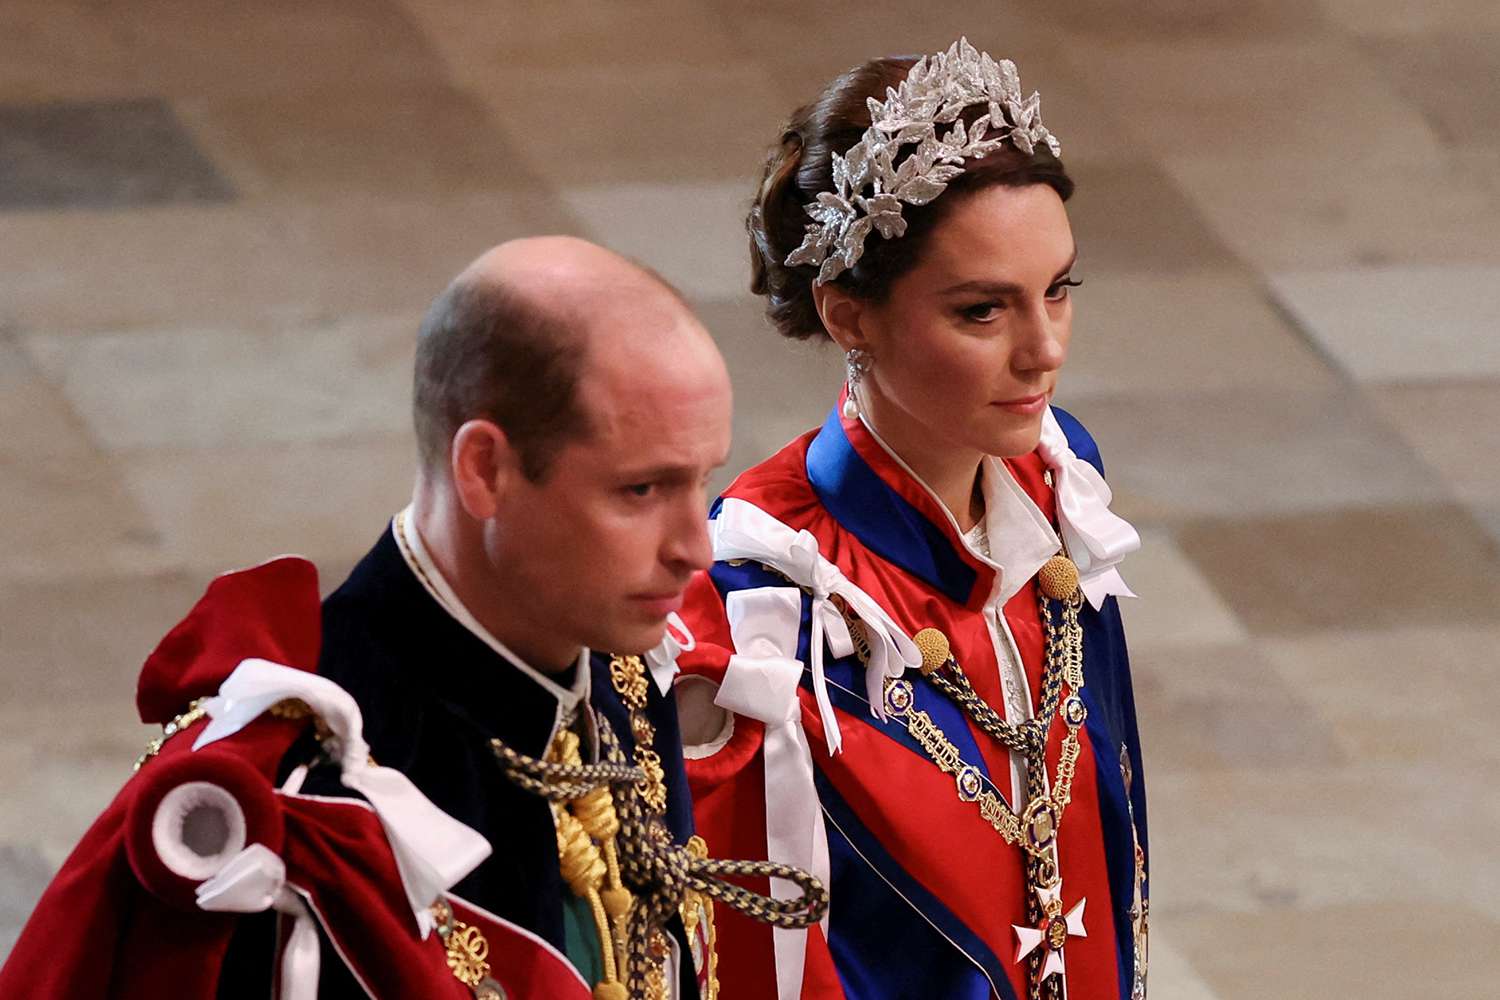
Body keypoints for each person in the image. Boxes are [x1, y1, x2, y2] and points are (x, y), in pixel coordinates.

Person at [0, 237, 823, 999]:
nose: (694, 547)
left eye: (701, 479)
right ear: (485, 470)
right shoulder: (305, 813)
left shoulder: (620, 663)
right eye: (641, 490)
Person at [674, 40, 1149, 1000]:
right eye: (984, 312)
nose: (1044, 351)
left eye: (1059, 290)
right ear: (848, 315)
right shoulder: (765, 597)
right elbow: (755, 951)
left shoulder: (1062, 484)